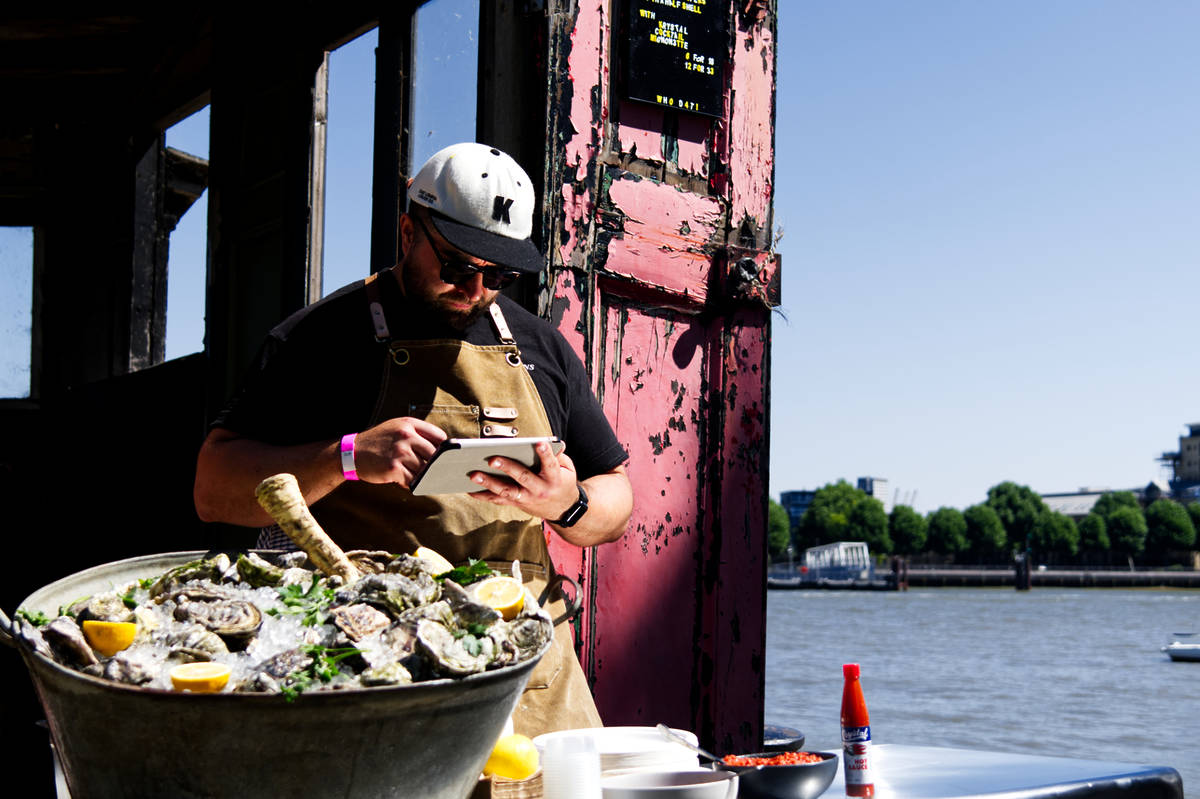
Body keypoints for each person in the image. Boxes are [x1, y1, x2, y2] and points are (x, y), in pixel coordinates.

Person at [193, 142, 633, 736]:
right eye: (457, 267)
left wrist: (566, 502)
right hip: (372, 670)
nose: (476, 288)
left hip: (524, 673)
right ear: (407, 232)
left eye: (497, 273)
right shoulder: (318, 340)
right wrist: (346, 457)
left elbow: (616, 497)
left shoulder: (543, 348)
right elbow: (214, 487)